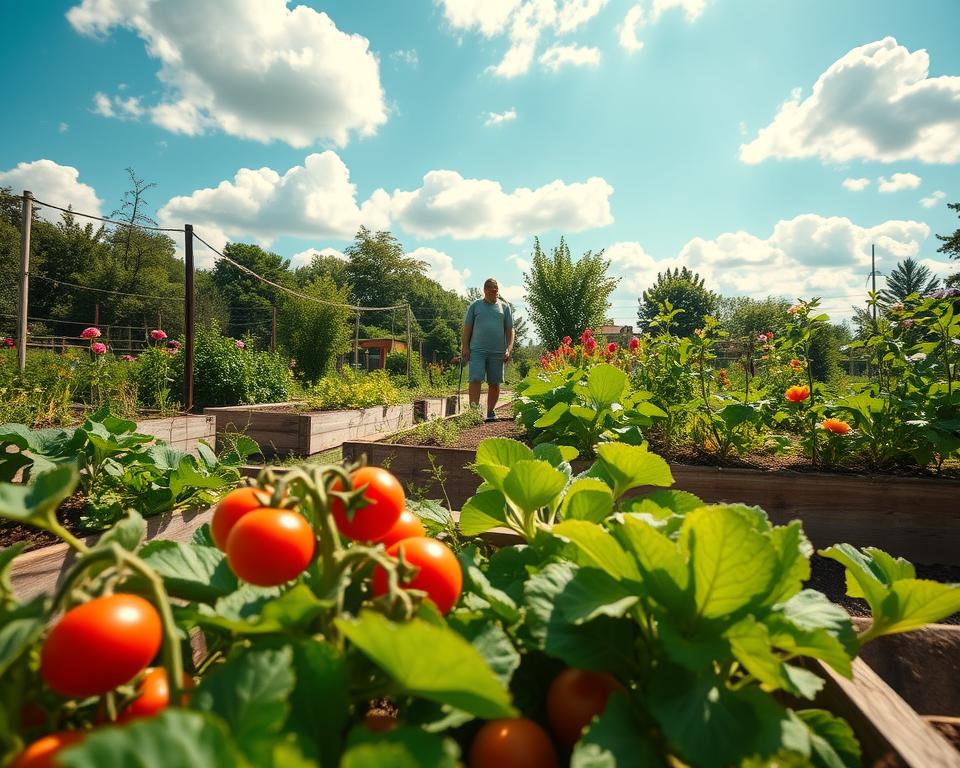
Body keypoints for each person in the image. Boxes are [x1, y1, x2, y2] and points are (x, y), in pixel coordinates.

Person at [462, 277, 514, 421]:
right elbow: (467, 328)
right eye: (491, 288)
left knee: (494, 382)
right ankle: (473, 413)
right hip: (477, 350)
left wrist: (509, 349)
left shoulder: (505, 307)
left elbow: (510, 330)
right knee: (475, 379)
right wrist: (465, 347)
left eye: (496, 288)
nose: (494, 290)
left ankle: (490, 412)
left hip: (497, 352)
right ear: (484, 290)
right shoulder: (475, 306)